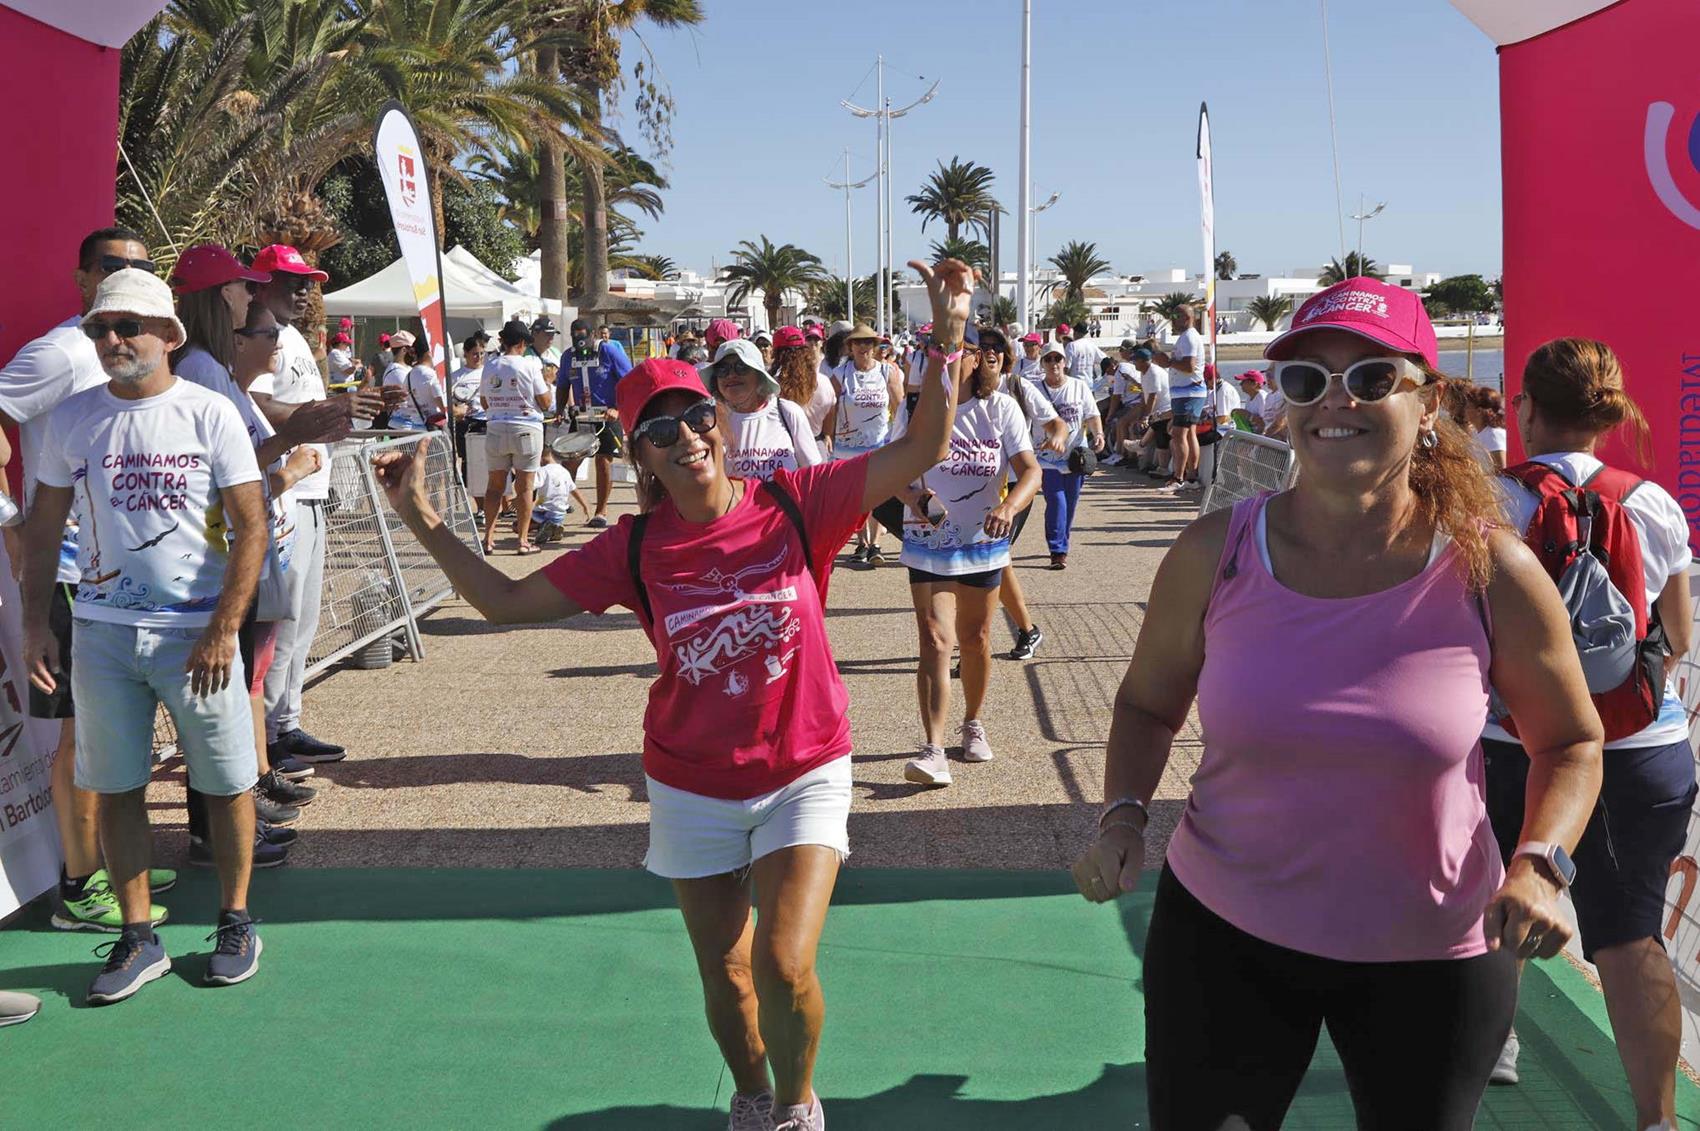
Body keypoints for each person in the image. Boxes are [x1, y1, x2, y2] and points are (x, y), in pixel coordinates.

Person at [371, 256, 975, 1131]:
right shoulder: (631, 547)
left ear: (722, 419)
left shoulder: (799, 500)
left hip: (804, 763)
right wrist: (419, 514)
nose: (688, 434)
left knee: (783, 962)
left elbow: (922, 447)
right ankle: (755, 1094)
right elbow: (501, 601)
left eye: (699, 413)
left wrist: (949, 328)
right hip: (690, 781)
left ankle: (801, 1106)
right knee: (726, 976)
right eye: (662, 429)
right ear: (640, 455)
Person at [1071, 277, 1603, 1130]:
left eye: (1369, 378)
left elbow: (1573, 739)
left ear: (1428, 401)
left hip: (1431, 953)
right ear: (1282, 404)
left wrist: (1541, 863)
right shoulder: (1217, 550)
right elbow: (1144, 704)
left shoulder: (1492, 569)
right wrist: (1123, 815)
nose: (1335, 402)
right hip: (1223, 936)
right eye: (1307, 381)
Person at [23, 269, 274, 1002]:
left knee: (226, 781)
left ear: (170, 334)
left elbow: (252, 524)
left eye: (128, 326)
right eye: (100, 327)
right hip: (101, 635)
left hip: (198, 634)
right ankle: (139, 938)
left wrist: (225, 624)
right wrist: (38, 621)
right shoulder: (73, 418)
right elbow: (43, 530)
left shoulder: (208, 411)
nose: (112, 340)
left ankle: (235, 920)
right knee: (115, 784)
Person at [1482, 339, 1696, 1128]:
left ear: (1527, 408)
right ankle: (1659, 1119)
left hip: (1512, 745)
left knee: (1489, 902)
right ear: (1607, 417)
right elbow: (1674, 633)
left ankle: (1487, 1053)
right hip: (1642, 752)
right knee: (1632, 930)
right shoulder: (1654, 504)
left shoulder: (1488, 501)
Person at [0, 226, 177, 934]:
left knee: (115, 729)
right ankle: (79, 888)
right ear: (81, 277)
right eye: (110, 266)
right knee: (83, 735)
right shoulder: (61, 350)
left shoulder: (133, 352)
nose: (122, 275)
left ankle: (106, 856)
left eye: (139, 266)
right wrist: (11, 518)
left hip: (124, 579)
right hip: (71, 575)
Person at [895, 325, 1042, 786]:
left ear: (979, 359)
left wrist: (1008, 506)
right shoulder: (918, 409)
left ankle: (972, 722)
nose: (953, 359)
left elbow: (1030, 471)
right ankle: (933, 748)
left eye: (964, 352)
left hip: (983, 540)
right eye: (943, 352)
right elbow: (891, 469)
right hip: (928, 540)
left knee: (976, 638)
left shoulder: (1001, 408)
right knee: (936, 640)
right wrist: (914, 497)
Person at [247, 244, 355, 771]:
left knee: (303, 621)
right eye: (290, 281)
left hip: (310, 489)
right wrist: (325, 413)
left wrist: (339, 413)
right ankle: (269, 734)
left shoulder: (289, 336)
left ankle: (285, 723)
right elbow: (259, 402)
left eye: (306, 282)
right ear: (260, 281)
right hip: (286, 491)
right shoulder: (261, 336)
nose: (301, 291)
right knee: (283, 622)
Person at [991, 328, 1066, 659]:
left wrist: (1059, 437)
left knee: (990, 561)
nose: (988, 354)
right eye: (982, 348)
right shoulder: (961, 391)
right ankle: (1027, 630)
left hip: (1012, 490)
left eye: (996, 348)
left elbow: (1056, 424)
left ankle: (975, 642)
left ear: (1007, 359)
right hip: (972, 489)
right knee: (994, 563)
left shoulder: (1019, 387)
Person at [480, 318, 554, 554]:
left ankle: (488, 539)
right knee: (525, 486)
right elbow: (544, 402)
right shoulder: (530, 365)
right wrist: (548, 384)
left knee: (494, 486)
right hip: (526, 427)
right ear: (522, 343)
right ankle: (522, 541)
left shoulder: (490, 365)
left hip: (496, 426)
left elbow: (484, 400)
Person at [832, 324, 903, 562]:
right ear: (850, 347)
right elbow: (831, 410)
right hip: (847, 448)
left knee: (875, 496)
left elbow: (899, 408)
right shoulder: (840, 374)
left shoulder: (887, 372)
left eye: (868, 343)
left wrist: (902, 440)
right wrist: (828, 437)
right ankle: (861, 543)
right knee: (856, 498)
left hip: (878, 446)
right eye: (858, 343)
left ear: (875, 346)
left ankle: (875, 544)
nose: (864, 347)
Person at [707, 338, 822, 481]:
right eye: (722, 369)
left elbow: (814, 475)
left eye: (741, 366)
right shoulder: (710, 421)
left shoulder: (787, 413)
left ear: (759, 375)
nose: (731, 375)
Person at [1035, 343, 1104, 568]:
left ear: (1065, 362)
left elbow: (1092, 414)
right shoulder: (1034, 389)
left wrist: (1099, 435)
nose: (1054, 363)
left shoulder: (1079, 386)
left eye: (1058, 359)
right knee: (1056, 501)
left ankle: (1062, 540)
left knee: (1071, 503)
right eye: (1049, 359)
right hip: (1046, 457)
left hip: (1076, 456)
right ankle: (1057, 549)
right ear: (1042, 363)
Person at [564, 318, 634, 528]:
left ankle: (600, 511)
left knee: (603, 462)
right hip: (582, 416)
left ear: (593, 334)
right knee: (569, 462)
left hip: (607, 416)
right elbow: (562, 384)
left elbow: (629, 382)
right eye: (575, 336)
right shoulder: (568, 356)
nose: (580, 341)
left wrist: (618, 409)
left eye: (583, 336)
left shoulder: (609, 352)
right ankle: (557, 504)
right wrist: (560, 410)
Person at [1151, 305, 1206, 493]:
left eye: (1176, 316)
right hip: (1185, 392)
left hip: (1188, 392)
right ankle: (1191, 477)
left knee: (1178, 434)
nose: (1172, 320)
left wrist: (1169, 362)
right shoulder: (1186, 337)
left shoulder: (1190, 337)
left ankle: (1179, 478)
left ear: (1186, 318)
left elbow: (1190, 366)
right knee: (1189, 434)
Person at [773, 326, 834, 450]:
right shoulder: (824, 381)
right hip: (816, 445)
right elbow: (831, 411)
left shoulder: (773, 385)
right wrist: (827, 435)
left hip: (785, 450)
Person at [449, 335, 487, 493]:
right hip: (466, 423)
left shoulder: (488, 372)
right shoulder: (456, 376)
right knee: (469, 463)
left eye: (482, 353)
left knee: (489, 463)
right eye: (475, 353)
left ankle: (501, 505)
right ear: (465, 353)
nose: (478, 357)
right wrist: (457, 409)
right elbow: (447, 401)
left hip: (486, 421)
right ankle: (479, 506)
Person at [1195, 363, 1240, 490]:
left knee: (1196, 440)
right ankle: (1199, 475)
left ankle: (1208, 477)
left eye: (1205, 381)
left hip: (1225, 430)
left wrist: (1204, 422)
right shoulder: (1214, 390)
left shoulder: (1223, 391)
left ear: (1212, 379)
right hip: (1217, 427)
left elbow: (1223, 418)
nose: (1204, 384)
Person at [529, 443, 582, 545]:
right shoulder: (564, 471)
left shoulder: (542, 471)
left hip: (544, 513)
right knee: (543, 508)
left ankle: (546, 525)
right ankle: (554, 528)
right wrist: (585, 506)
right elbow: (575, 490)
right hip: (560, 515)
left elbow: (530, 488)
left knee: (521, 521)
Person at [1465, 385, 1508, 471]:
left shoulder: (1494, 435)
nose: (1465, 410)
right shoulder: (1474, 434)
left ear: (1479, 411)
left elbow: (1502, 471)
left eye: (1468, 407)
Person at [1065, 323, 1106, 389]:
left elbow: (1066, 368)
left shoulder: (1071, 345)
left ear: (1075, 332)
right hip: (1089, 385)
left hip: (1075, 385)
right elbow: (1105, 360)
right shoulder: (1091, 345)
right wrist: (1102, 377)